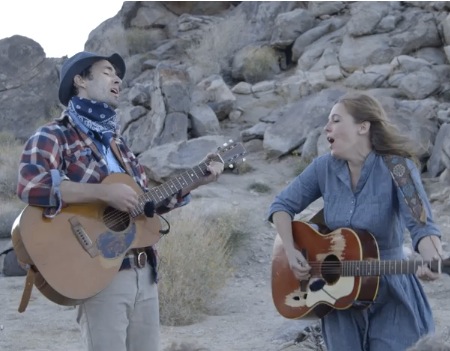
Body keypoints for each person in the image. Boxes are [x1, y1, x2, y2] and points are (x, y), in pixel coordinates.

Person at [16, 51, 224, 351]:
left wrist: (196, 179)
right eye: (107, 72)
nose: (117, 79)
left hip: (144, 271)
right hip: (99, 272)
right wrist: (102, 192)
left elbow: (144, 205)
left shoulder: (118, 144)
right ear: (80, 80)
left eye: (118, 75)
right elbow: (30, 183)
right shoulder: (53, 135)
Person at [268, 92, 444, 351]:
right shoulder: (323, 167)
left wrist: (433, 257)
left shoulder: (399, 169)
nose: (327, 128)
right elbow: (281, 207)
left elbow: (421, 224)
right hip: (336, 296)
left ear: (363, 127)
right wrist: (292, 251)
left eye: (336, 120)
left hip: (389, 291)